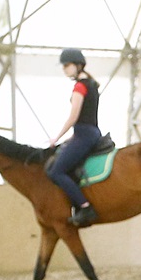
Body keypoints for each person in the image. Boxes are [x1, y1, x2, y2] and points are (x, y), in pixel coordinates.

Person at [48, 48, 101, 228]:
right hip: (90, 132)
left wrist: (56, 138)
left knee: (56, 171)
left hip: (83, 135)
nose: (64, 70)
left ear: (78, 65)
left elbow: (74, 117)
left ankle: (85, 207)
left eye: (67, 66)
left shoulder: (80, 86)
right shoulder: (92, 84)